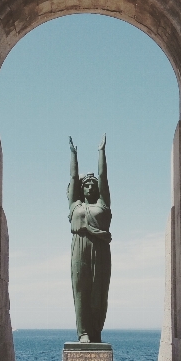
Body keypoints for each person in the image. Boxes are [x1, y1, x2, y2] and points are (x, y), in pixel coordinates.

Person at [68, 134, 111, 343]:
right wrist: (73, 156)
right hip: (79, 248)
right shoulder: (75, 205)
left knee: (99, 293)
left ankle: (96, 331)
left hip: (100, 250)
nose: (90, 187)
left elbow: (103, 177)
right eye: (86, 185)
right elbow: (73, 179)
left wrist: (101, 152)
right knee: (81, 291)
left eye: (92, 185)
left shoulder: (103, 204)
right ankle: (83, 332)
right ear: (81, 188)